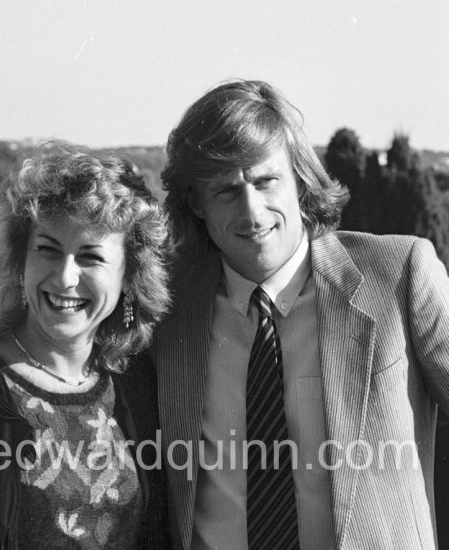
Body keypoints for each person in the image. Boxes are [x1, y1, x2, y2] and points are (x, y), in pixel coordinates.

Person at [151, 79, 449, 550]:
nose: (253, 210)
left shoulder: (399, 275)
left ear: (299, 178)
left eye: (266, 181)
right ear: (195, 204)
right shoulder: (166, 308)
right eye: (226, 190)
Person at [0, 141, 171, 549]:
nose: (64, 278)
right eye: (47, 250)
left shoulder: (138, 387)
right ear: (20, 259)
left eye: (90, 257)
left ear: (129, 277)